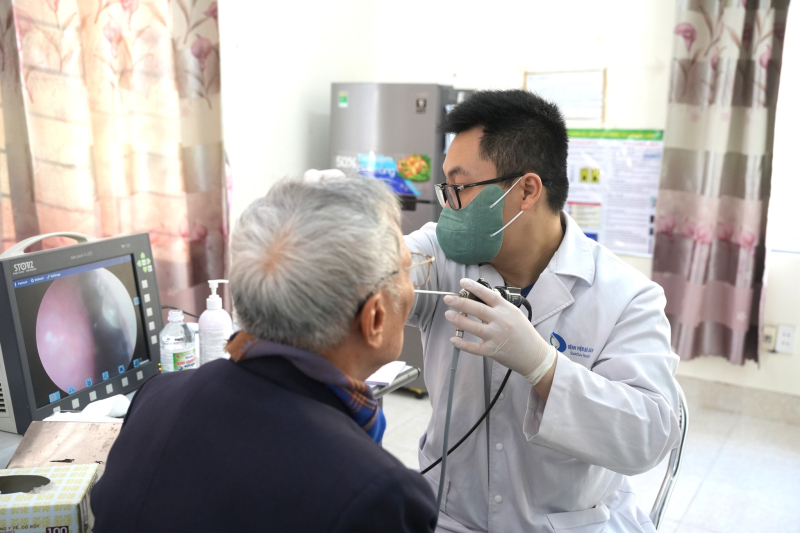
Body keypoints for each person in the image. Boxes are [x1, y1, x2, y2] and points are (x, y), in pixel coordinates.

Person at [91, 175, 438, 533]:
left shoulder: (157, 396)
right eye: (409, 270)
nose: (413, 286)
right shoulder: (380, 498)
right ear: (375, 317)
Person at [406, 90, 681, 532]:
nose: (449, 205)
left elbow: (647, 438)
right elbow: (384, 265)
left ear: (527, 190)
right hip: (452, 517)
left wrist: (543, 366)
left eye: (460, 188)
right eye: (446, 189)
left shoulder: (627, 296)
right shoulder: (442, 255)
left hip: (565, 523)